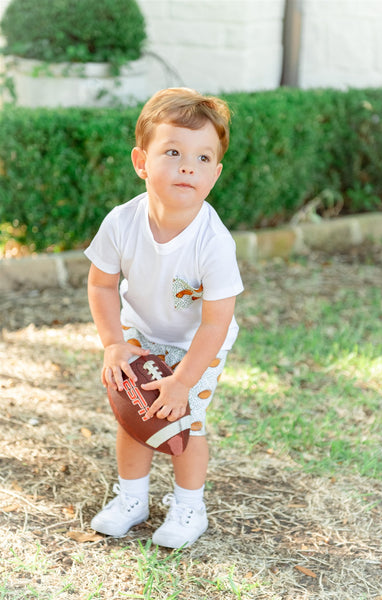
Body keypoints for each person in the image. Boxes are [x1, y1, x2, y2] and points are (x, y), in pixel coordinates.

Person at [84, 87, 243, 548]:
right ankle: (132, 499)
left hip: (199, 344)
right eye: (172, 151)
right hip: (141, 333)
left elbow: (216, 322)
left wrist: (181, 381)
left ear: (214, 173)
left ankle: (189, 506)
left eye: (202, 157)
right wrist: (115, 342)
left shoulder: (213, 243)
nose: (187, 165)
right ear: (141, 162)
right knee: (135, 418)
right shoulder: (121, 222)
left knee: (183, 423)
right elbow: (101, 284)